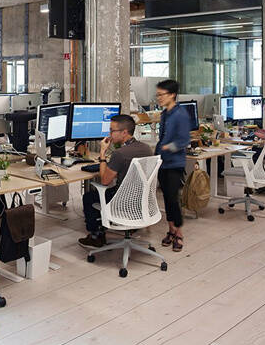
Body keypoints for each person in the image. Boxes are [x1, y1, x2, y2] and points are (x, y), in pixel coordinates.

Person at [78, 114, 153, 248]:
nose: (110, 134)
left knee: (89, 197)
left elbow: (105, 181)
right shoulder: (146, 148)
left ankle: (96, 236)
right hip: (141, 200)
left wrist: (102, 153)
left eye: (112, 130)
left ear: (124, 132)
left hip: (123, 202)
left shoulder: (120, 154)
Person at [155, 79, 191, 253]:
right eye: (157, 95)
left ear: (172, 95)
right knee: (167, 198)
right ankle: (171, 230)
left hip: (174, 163)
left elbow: (184, 140)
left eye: (161, 95)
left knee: (173, 198)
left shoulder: (180, 114)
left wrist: (168, 147)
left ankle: (179, 233)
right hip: (162, 162)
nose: (159, 98)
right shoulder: (165, 114)